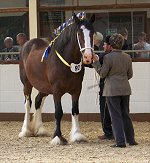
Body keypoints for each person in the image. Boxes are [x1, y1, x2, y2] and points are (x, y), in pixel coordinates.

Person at [92, 33, 138, 148]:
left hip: (112, 90)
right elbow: (130, 75)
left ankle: (120, 142)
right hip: (125, 89)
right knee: (125, 114)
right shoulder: (127, 57)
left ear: (111, 45)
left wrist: (96, 62)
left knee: (115, 116)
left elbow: (102, 73)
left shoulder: (108, 57)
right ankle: (131, 139)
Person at [98, 35, 113, 140]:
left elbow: (102, 73)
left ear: (109, 46)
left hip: (106, 89)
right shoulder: (125, 56)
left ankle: (108, 133)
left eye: (104, 44)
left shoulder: (105, 57)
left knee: (104, 111)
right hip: (120, 89)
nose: (103, 46)